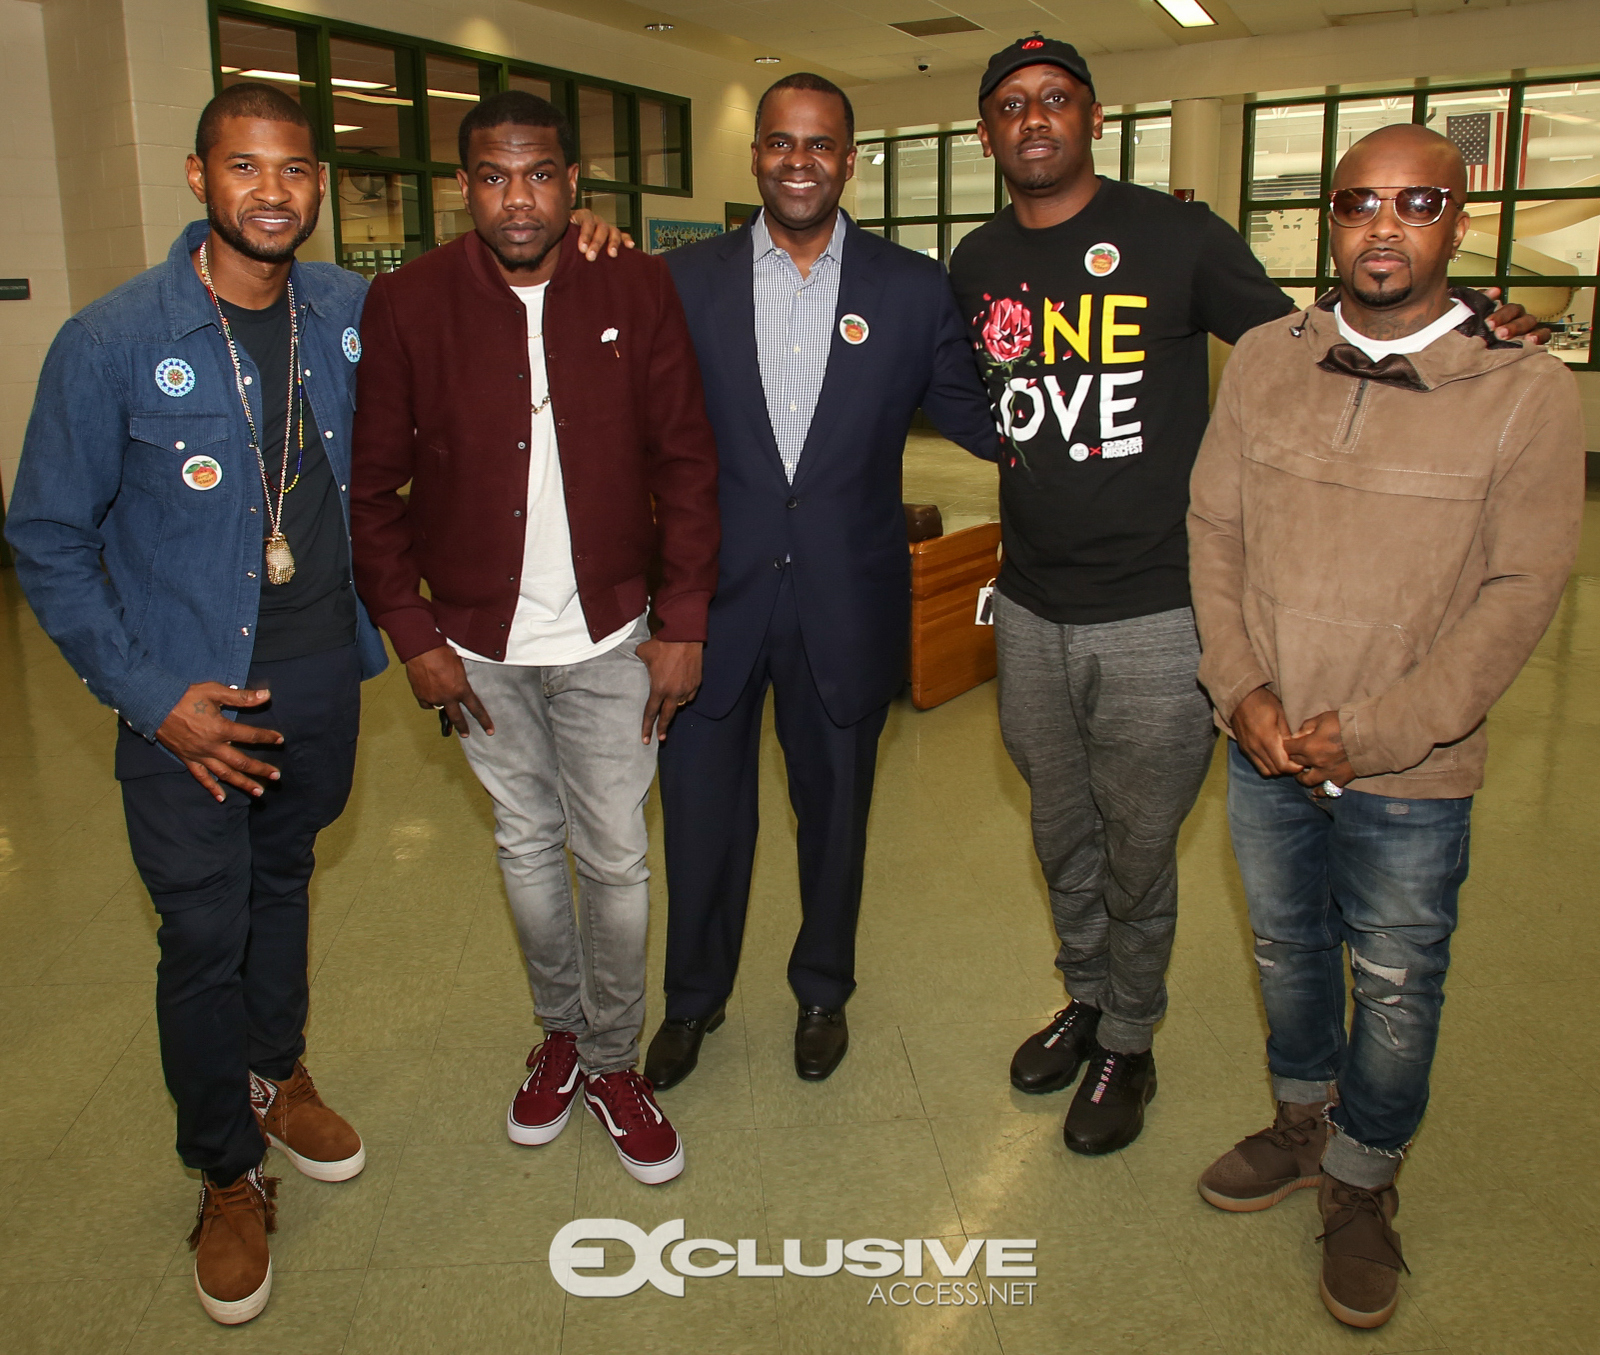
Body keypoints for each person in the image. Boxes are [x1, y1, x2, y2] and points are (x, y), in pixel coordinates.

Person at [945, 36, 1547, 1158]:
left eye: (1057, 100)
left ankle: (1131, 1032)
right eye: (1012, 105)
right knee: (1061, 831)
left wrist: (1463, 314)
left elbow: (1309, 341)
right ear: (986, 132)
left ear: (1091, 117)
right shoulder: (973, 261)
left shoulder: (1173, 237)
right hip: (1025, 609)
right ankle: (1084, 994)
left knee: (1136, 840)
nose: (1035, 119)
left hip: (1157, 611)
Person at [1188, 124, 1583, 1329]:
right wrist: (1240, 688)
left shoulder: (1524, 386)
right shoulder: (1262, 357)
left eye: (1418, 201)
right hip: (1263, 749)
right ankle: (1303, 1119)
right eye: (1359, 200)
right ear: (1331, 218)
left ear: (1458, 222)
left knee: (1398, 979)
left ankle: (1363, 1177)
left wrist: (1381, 728)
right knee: (1284, 953)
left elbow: (1520, 589)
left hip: (1413, 767)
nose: (1383, 223)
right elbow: (1214, 532)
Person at [5, 84, 383, 1325]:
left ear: (317, 185)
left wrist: (592, 245)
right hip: (189, 701)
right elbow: (48, 539)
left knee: (284, 888)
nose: (271, 191)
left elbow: (496, 319)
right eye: (244, 166)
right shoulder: (112, 341)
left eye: (294, 170)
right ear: (197, 177)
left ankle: (279, 1071)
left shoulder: (346, 312)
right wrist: (152, 696)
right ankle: (225, 1168)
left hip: (322, 675)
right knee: (200, 935)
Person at [348, 90, 719, 1186]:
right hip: (475, 643)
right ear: (464, 186)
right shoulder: (408, 303)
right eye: (497, 176)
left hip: (613, 632)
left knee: (613, 854)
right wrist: (411, 631)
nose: (521, 198)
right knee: (524, 845)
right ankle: (560, 1029)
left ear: (573, 185)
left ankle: (613, 1059)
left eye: (542, 174)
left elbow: (687, 464)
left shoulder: (633, 284)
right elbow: (370, 491)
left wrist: (684, 616)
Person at [644, 74, 998, 1089]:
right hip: (707, 605)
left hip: (848, 599)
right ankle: (691, 1000)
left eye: (820, 145)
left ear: (850, 160)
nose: (798, 161)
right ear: (755, 156)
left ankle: (821, 989)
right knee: (703, 817)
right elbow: (634, 432)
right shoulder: (683, 281)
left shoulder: (909, 285)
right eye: (778, 143)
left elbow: (978, 419)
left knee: (835, 814)